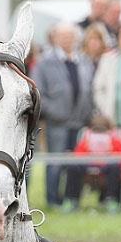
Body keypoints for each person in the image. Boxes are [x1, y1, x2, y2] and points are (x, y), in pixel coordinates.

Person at [32, 22, 95, 206]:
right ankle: (53, 200)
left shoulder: (83, 60)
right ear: (55, 38)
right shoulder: (44, 62)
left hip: (80, 121)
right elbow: (37, 91)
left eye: (71, 35)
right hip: (57, 122)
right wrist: (53, 111)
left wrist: (89, 112)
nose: (68, 39)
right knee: (56, 163)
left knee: (76, 164)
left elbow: (90, 88)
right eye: (63, 35)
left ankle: (72, 199)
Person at [62, 112, 121, 213]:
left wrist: (111, 151)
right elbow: (77, 157)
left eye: (102, 132)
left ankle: (111, 199)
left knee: (114, 166)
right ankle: (71, 199)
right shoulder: (85, 141)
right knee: (73, 166)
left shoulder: (115, 142)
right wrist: (86, 149)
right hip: (88, 166)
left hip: (107, 167)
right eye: (96, 131)